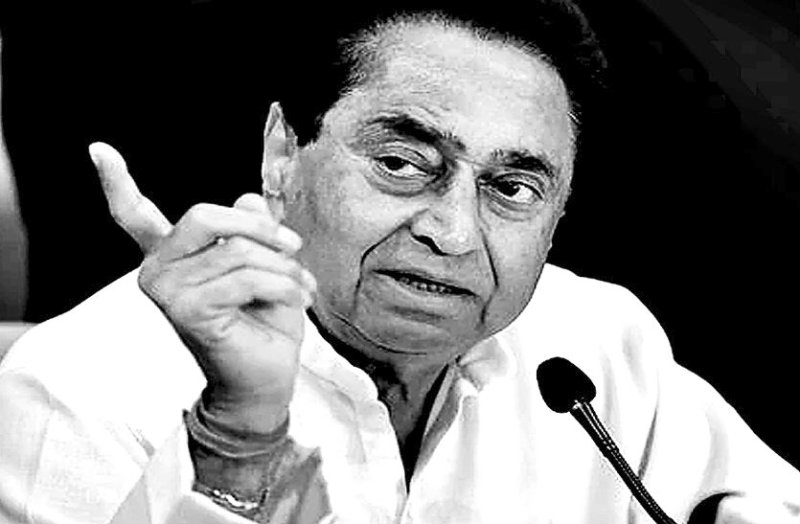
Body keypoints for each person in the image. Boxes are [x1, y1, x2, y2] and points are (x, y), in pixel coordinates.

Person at [1, 3, 799, 524]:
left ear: (558, 216)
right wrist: (237, 440)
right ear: (283, 152)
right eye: (402, 164)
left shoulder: (598, 344)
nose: (453, 233)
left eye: (512, 188)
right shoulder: (76, 389)